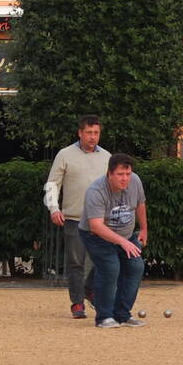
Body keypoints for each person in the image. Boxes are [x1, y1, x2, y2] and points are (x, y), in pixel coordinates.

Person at [44, 115, 109, 318]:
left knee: (102, 261)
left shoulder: (107, 157)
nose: (92, 137)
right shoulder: (65, 155)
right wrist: (54, 208)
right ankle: (77, 303)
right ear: (80, 133)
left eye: (96, 133)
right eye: (89, 133)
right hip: (74, 217)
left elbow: (114, 188)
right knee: (76, 263)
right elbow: (53, 184)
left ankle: (89, 289)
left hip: (101, 220)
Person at [78, 154, 148, 329]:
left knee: (135, 267)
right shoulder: (96, 191)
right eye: (120, 174)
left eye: (128, 173)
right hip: (96, 236)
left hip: (126, 234)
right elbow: (96, 226)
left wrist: (144, 229)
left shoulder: (135, 181)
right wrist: (122, 243)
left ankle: (122, 315)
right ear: (109, 174)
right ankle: (104, 317)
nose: (125, 178)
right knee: (110, 268)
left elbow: (140, 204)